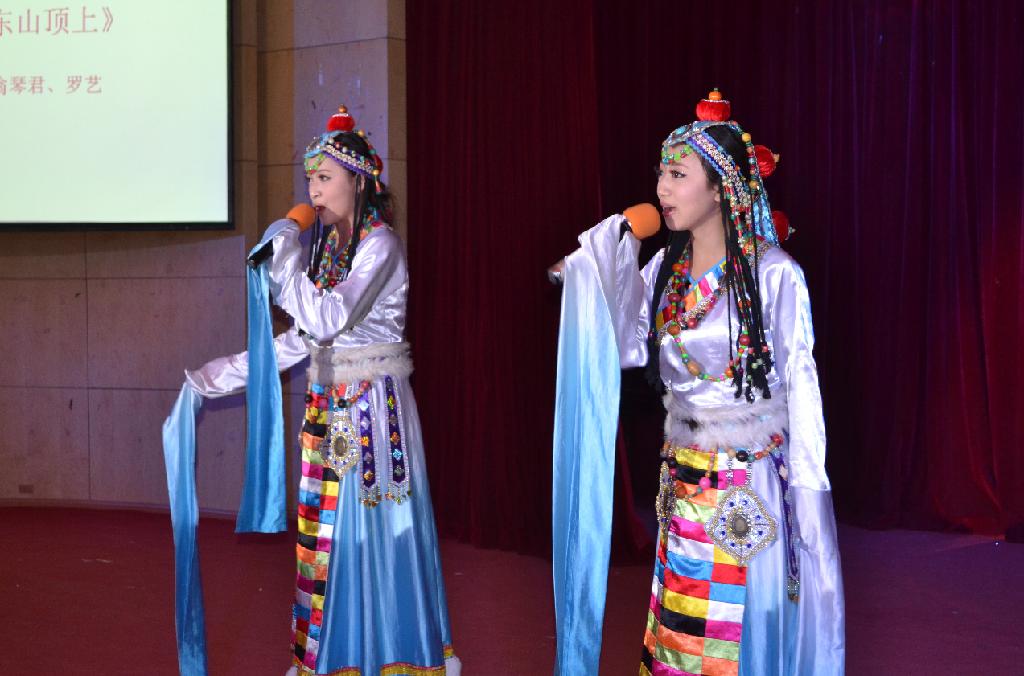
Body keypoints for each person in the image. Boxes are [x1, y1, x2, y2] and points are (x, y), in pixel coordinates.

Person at [552, 90, 844, 675]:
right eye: (661, 172)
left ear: (720, 189)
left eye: (678, 175)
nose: (662, 187)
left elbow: (803, 389)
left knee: (732, 639)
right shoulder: (666, 269)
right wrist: (601, 258)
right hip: (682, 478)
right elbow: (624, 342)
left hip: (746, 485)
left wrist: (812, 507)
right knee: (678, 634)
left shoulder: (774, 274)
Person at [184, 105, 460, 676]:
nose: (313, 190)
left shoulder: (380, 246)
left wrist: (283, 259)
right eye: (310, 178)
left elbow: (328, 318)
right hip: (329, 409)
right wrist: (215, 378)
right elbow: (302, 341)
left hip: (374, 414)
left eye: (325, 177)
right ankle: (334, 657)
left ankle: (392, 654)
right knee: (325, 539)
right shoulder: (331, 249)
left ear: (358, 181)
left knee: (371, 534)